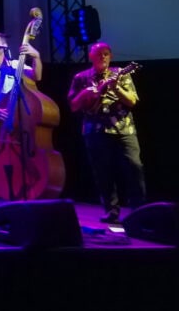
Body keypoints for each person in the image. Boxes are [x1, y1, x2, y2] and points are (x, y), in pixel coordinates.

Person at [67, 41, 145, 224]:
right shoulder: (81, 77)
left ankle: (139, 211)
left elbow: (132, 101)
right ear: (91, 57)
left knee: (134, 167)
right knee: (103, 172)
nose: (102, 56)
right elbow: (73, 106)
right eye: (98, 54)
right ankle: (111, 211)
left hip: (123, 129)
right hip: (94, 131)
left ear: (111, 56)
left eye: (105, 53)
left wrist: (115, 87)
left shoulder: (121, 73)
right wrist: (86, 93)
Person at [0, 32, 42, 214]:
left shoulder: (15, 65)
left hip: (11, 119)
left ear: (4, 46)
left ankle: (14, 194)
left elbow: (37, 76)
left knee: (17, 155)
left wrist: (36, 56)